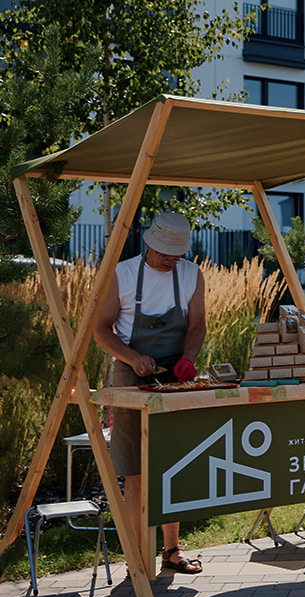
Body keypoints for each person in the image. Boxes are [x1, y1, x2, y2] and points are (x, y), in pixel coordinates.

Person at [93, 212, 205, 575]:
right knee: (136, 471)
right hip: (129, 375)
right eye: (164, 254)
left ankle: (172, 551)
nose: (171, 260)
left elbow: (198, 324)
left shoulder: (191, 274)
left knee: (174, 466)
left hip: (175, 376)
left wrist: (188, 359)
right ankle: (138, 559)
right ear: (149, 243)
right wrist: (133, 357)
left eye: (176, 255)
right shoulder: (123, 274)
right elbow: (100, 330)